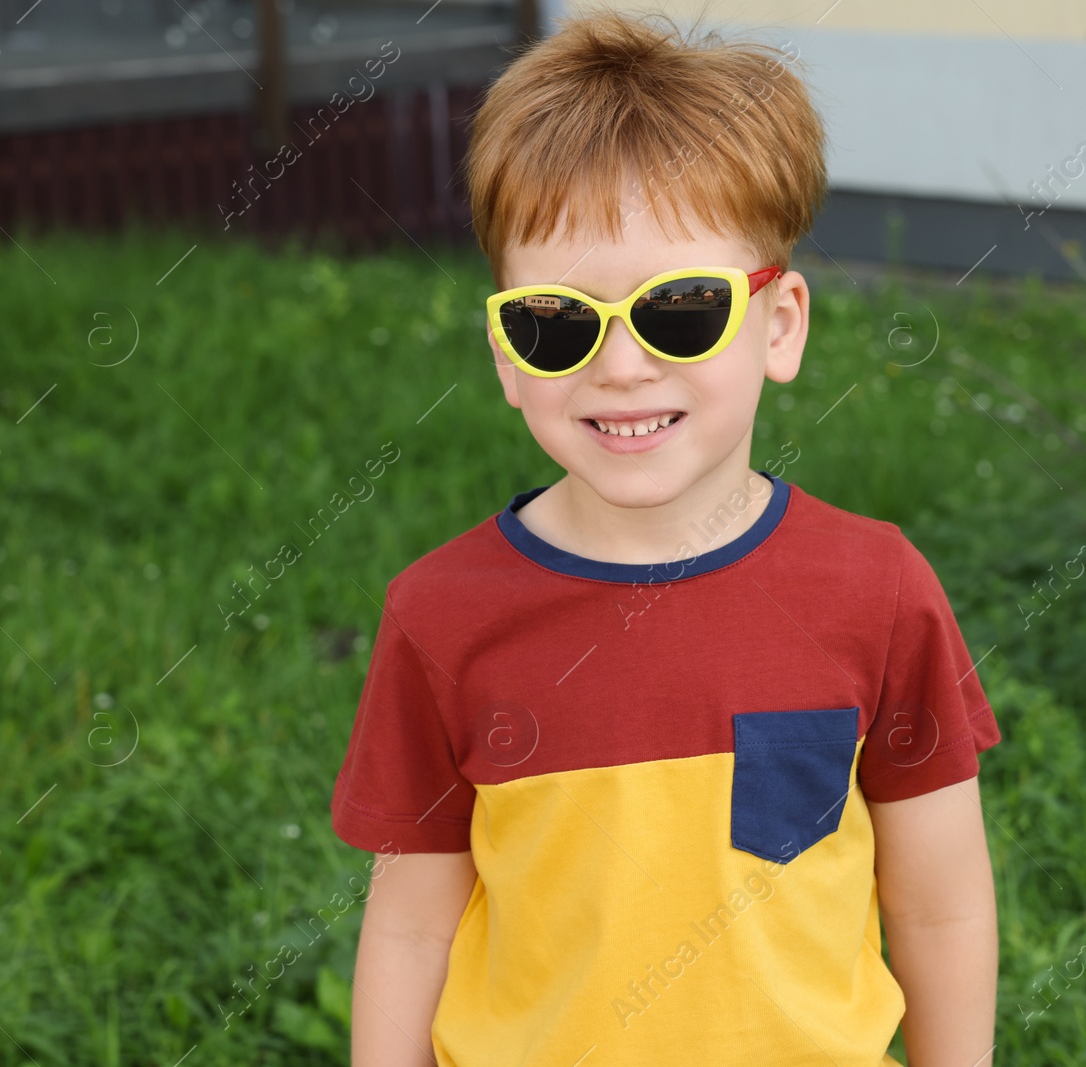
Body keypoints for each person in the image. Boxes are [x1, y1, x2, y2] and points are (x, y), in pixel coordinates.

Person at [330, 9, 1002, 1065]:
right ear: (507, 354)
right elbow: (411, 925)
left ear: (778, 326)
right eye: (557, 320)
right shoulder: (440, 614)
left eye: (677, 310)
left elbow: (940, 907)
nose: (621, 365)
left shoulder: (874, 587)